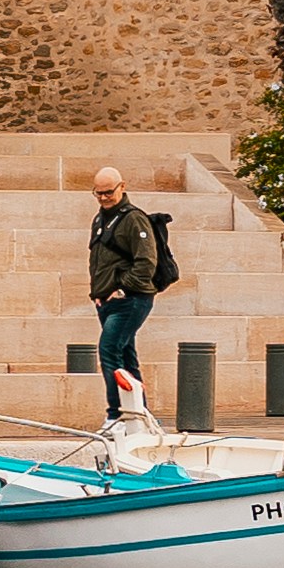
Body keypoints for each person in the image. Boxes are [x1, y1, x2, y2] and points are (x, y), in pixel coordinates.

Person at [85, 174, 173, 407]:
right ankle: (138, 413)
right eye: (98, 193)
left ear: (122, 187)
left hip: (131, 299)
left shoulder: (134, 218)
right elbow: (98, 261)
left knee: (109, 350)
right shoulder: (100, 219)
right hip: (107, 301)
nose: (103, 198)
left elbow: (146, 262)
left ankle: (117, 413)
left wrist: (122, 290)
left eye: (108, 192)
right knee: (125, 358)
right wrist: (98, 294)